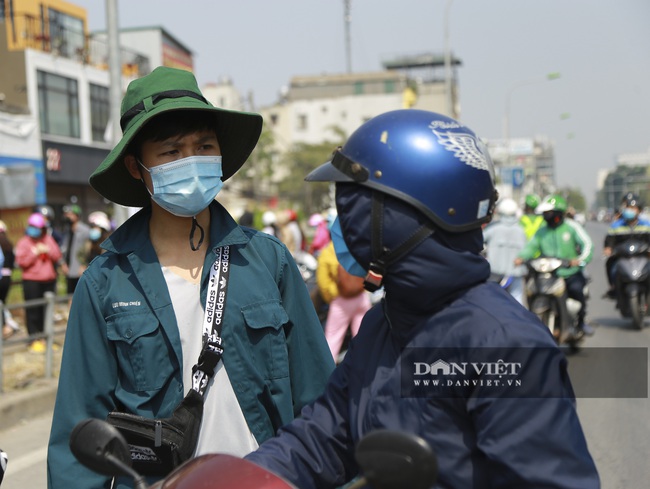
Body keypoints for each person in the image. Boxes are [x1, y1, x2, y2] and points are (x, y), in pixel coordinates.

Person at [245, 110, 599, 488]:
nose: (341, 224)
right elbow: (323, 436)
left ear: (400, 215)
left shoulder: (505, 344)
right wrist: (241, 479)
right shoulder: (385, 322)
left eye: (351, 206)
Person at [47, 66, 334, 489]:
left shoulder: (268, 261)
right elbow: (79, 429)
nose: (191, 161)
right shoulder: (105, 281)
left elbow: (320, 401)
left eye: (204, 147)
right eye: (171, 152)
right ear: (135, 167)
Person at [515, 194, 595, 336]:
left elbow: (587, 244)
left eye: (548, 213)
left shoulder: (571, 227)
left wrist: (580, 260)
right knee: (532, 291)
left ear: (558, 213)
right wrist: (521, 257)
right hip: (548, 274)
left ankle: (581, 322)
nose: (545, 216)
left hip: (569, 273)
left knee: (577, 290)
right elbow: (531, 247)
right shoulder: (542, 231)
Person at [15, 213, 62, 352]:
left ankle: (46, 338)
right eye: (32, 226)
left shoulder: (47, 239)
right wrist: (34, 253)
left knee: (46, 311)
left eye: (37, 227)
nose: (34, 229)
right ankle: (34, 339)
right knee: (33, 311)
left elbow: (57, 255)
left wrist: (47, 250)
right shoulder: (24, 242)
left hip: (48, 280)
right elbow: (21, 262)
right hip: (31, 281)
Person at [316, 240, 371, 361]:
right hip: (361, 296)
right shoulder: (356, 245)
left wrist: (333, 296)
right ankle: (367, 367)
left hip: (342, 301)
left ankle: (327, 371)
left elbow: (323, 282)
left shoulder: (327, 252)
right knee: (364, 336)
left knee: (333, 338)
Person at [602, 192, 650, 297]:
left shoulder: (646, 225)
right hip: (622, 257)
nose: (630, 210)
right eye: (627, 207)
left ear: (639, 209)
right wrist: (608, 249)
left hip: (643, 257)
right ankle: (614, 288)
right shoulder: (616, 226)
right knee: (610, 263)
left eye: (633, 208)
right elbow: (609, 241)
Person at [482, 197, 528, 305]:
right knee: (517, 300)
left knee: (493, 301)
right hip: (516, 272)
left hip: (496, 273)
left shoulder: (493, 228)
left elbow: (479, 241)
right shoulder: (521, 230)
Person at [60, 204, 90, 295]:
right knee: (70, 294)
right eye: (66, 214)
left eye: (70, 214)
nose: (67, 217)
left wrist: (84, 264)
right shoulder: (67, 230)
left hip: (80, 269)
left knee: (81, 295)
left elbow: (88, 249)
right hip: (69, 269)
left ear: (77, 216)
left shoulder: (85, 230)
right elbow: (64, 248)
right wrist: (63, 263)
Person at [0, 220, 18, 340]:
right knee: (2, 302)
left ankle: (5, 326)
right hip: (7, 278)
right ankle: (6, 326)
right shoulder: (9, 244)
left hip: (1, 277)